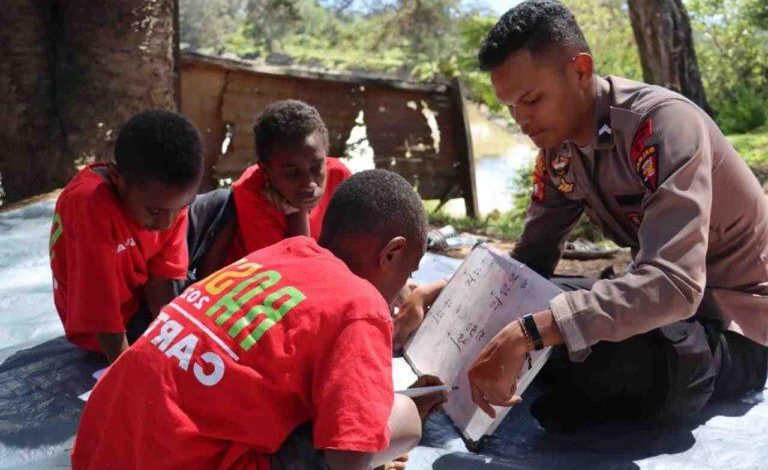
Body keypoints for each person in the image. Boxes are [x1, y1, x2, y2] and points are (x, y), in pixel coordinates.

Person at [466, 0, 768, 430]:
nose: (522, 121)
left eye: (531, 100)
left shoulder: (663, 126)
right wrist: (450, 296)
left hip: (731, 325)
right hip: (657, 307)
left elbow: (674, 285)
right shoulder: (558, 152)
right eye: (511, 107)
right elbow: (529, 262)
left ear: (581, 70)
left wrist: (535, 331)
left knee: (633, 361)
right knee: (528, 304)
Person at [71, 169, 443, 470]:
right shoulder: (361, 304)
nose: (399, 293)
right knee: (403, 417)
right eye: (408, 271)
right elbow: (348, 459)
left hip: (101, 449)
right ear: (392, 252)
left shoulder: (281, 253)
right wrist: (378, 435)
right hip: (189, 459)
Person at [49, 110, 203, 363]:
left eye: (181, 207)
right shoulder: (89, 206)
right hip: (104, 334)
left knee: (223, 204)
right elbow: (101, 314)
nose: (167, 223)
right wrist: (126, 373)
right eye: (155, 211)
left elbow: (161, 281)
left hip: (139, 300)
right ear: (117, 178)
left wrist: (174, 344)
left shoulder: (165, 202)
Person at [185, 100, 351, 282]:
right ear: (266, 170)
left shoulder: (339, 177)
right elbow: (296, 276)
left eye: (316, 166)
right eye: (291, 173)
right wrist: (298, 213)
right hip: (251, 291)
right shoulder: (251, 192)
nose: (309, 184)